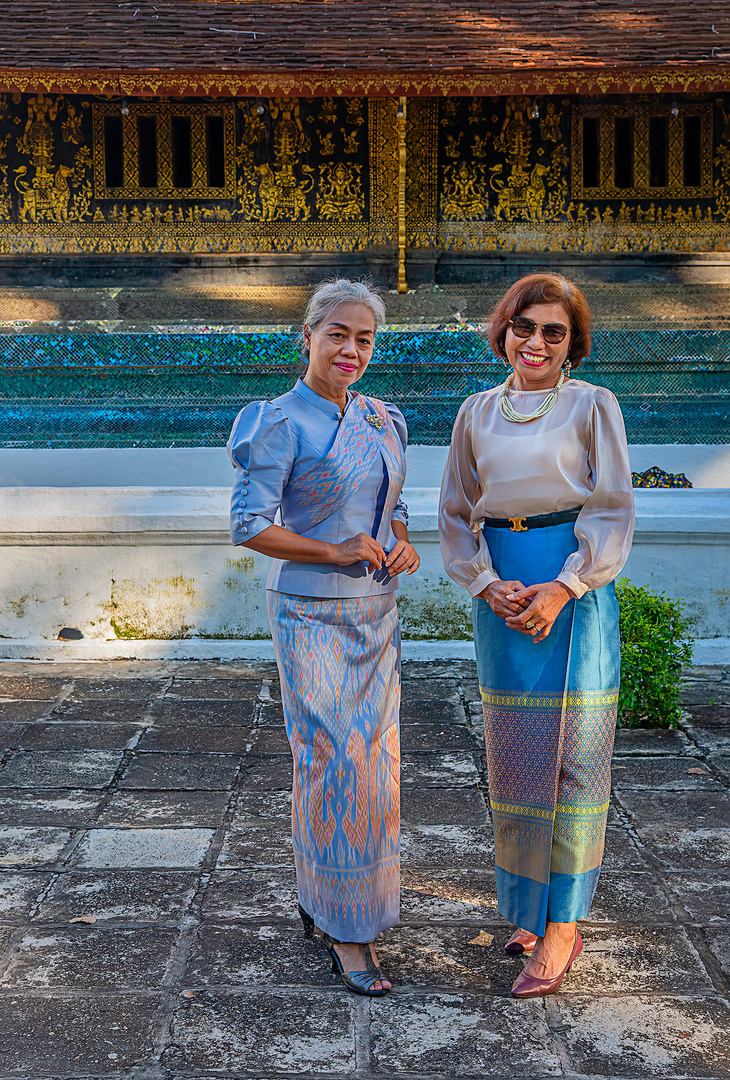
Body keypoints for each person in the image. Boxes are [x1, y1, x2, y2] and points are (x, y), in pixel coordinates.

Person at [438, 273, 634, 998]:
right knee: (516, 754)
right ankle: (527, 908)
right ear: (505, 332)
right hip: (502, 590)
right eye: (526, 327)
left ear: (571, 343)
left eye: (554, 331)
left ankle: (563, 927)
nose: (537, 343)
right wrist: (487, 584)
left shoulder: (591, 406)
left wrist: (563, 586)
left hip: (572, 588)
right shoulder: (476, 412)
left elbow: (612, 507)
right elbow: (457, 512)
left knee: (575, 760)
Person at [227, 277, 419, 997]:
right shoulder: (279, 422)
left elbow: (390, 506)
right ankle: (345, 930)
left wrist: (399, 540)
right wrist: (334, 551)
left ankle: (340, 902)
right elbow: (251, 523)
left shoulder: (381, 418)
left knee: (377, 761)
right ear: (305, 338)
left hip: (377, 611)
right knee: (334, 758)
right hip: (309, 613)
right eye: (337, 333)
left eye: (364, 338)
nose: (351, 348)